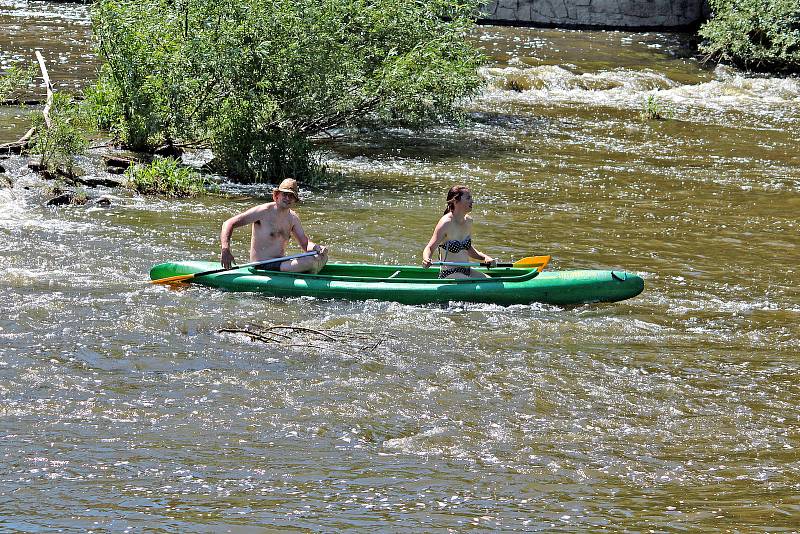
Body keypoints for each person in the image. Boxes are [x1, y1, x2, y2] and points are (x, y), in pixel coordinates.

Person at [220, 178, 328, 273]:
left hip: (279, 262)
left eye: (291, 196)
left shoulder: (293, 218)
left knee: (322, 257)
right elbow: (228, 223)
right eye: (285, 194)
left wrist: (316, 248)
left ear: (295, 200)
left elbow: (305, 244)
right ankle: (309, 273)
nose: (287, 198)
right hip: (261, 265)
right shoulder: (262, 212)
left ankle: (309, 272)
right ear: (277, 196)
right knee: (310, 261)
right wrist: (225, 249)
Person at [422, 185, 495, 279]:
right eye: (468, 198)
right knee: (476, 286)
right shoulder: (445, 223)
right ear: (455, 201)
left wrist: (485, 258)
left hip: (467, 270)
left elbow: (469, 249)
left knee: (490, 281)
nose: (472, 201)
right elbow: (430, 248)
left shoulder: (469, 221)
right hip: (449, 273)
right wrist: (426, 259)